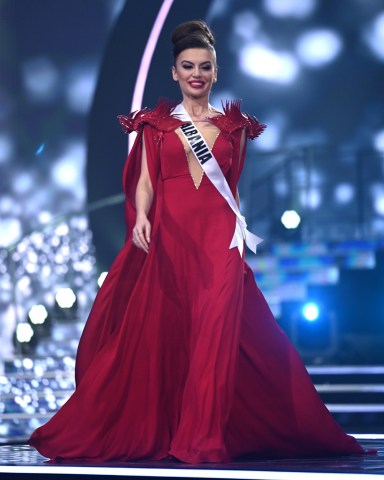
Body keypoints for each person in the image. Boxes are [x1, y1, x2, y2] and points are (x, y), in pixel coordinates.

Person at [28, 20, 369, 463]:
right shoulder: (155, 126)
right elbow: (146, 181)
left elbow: (233, 187)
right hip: (171, 239)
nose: (196, 74)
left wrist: (239, 233)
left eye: (204, 67)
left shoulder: (235, 127)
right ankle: (174, 429)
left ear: (216, 72)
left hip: (219, 242)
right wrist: (142, 217)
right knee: (167, 335)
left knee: (215, 336)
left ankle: (202, 438)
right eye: (187, 66)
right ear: (173, 72)